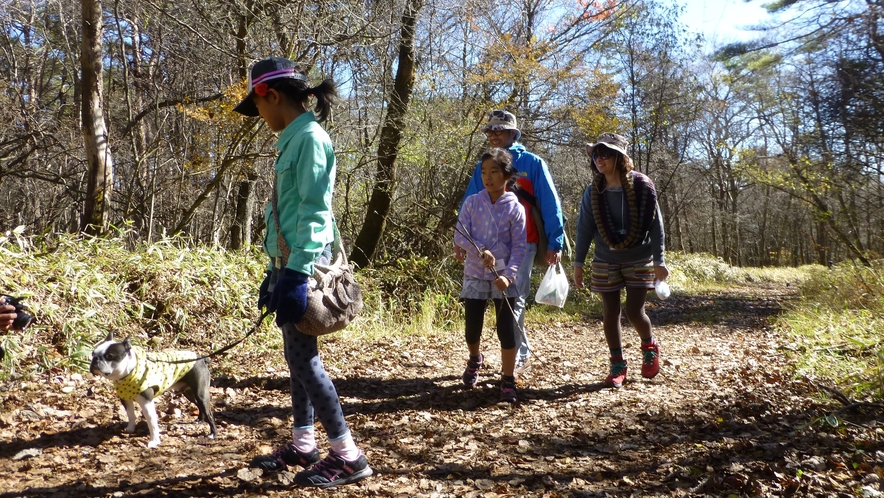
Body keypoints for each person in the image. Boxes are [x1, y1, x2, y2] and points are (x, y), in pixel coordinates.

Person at [233, 56, 372, 488]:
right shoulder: (291, 139)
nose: (258, 115)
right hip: (288, 264)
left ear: (271, 96)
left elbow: (314, 212)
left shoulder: (309, 138)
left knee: (305, 361)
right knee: (295, 360)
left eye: (257, 107)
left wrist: (295, 274)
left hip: (304, 266)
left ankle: (349, 457)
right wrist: (274, 271)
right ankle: (304, 441)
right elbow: (288, 213)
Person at [458, 110, 565, 371]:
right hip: (485, 247)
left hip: (523, 243)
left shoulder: (533, 163)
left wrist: (555, 241)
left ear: (512, 133)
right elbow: (470, 202)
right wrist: (462, 240)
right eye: (490, 131)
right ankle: (508, 354)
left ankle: (518, 356)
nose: (493, 135)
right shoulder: (482, 166)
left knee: (513, 298)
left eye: (498, 130)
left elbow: (550, 203)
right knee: (490, 304)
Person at [573, 132, 668, 388]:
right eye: (596, 154)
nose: (599, 159)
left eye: (605, 154)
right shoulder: (593, 191)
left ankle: (649, 348)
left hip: (639, 258)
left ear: (619, 157)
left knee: (634, 311)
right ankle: (617, 365)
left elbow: (656, 226)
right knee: (610, 312)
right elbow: (584, 228)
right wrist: (578, 263)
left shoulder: (642, 186)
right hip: (605, 259)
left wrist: (659, 260)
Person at [455, 148, 527, 402]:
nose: (488, 177)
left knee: (506, 329)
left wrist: (509, 276)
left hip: (504, 277)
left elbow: (520, 247)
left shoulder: (515, 208)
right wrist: (480, 250)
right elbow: (460, 234)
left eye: (494, 171)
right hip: (475, 272)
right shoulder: (473, 202)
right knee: (472, 328)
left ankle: (508, 378)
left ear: (507, 175)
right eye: (484, 172)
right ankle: (475, 359)